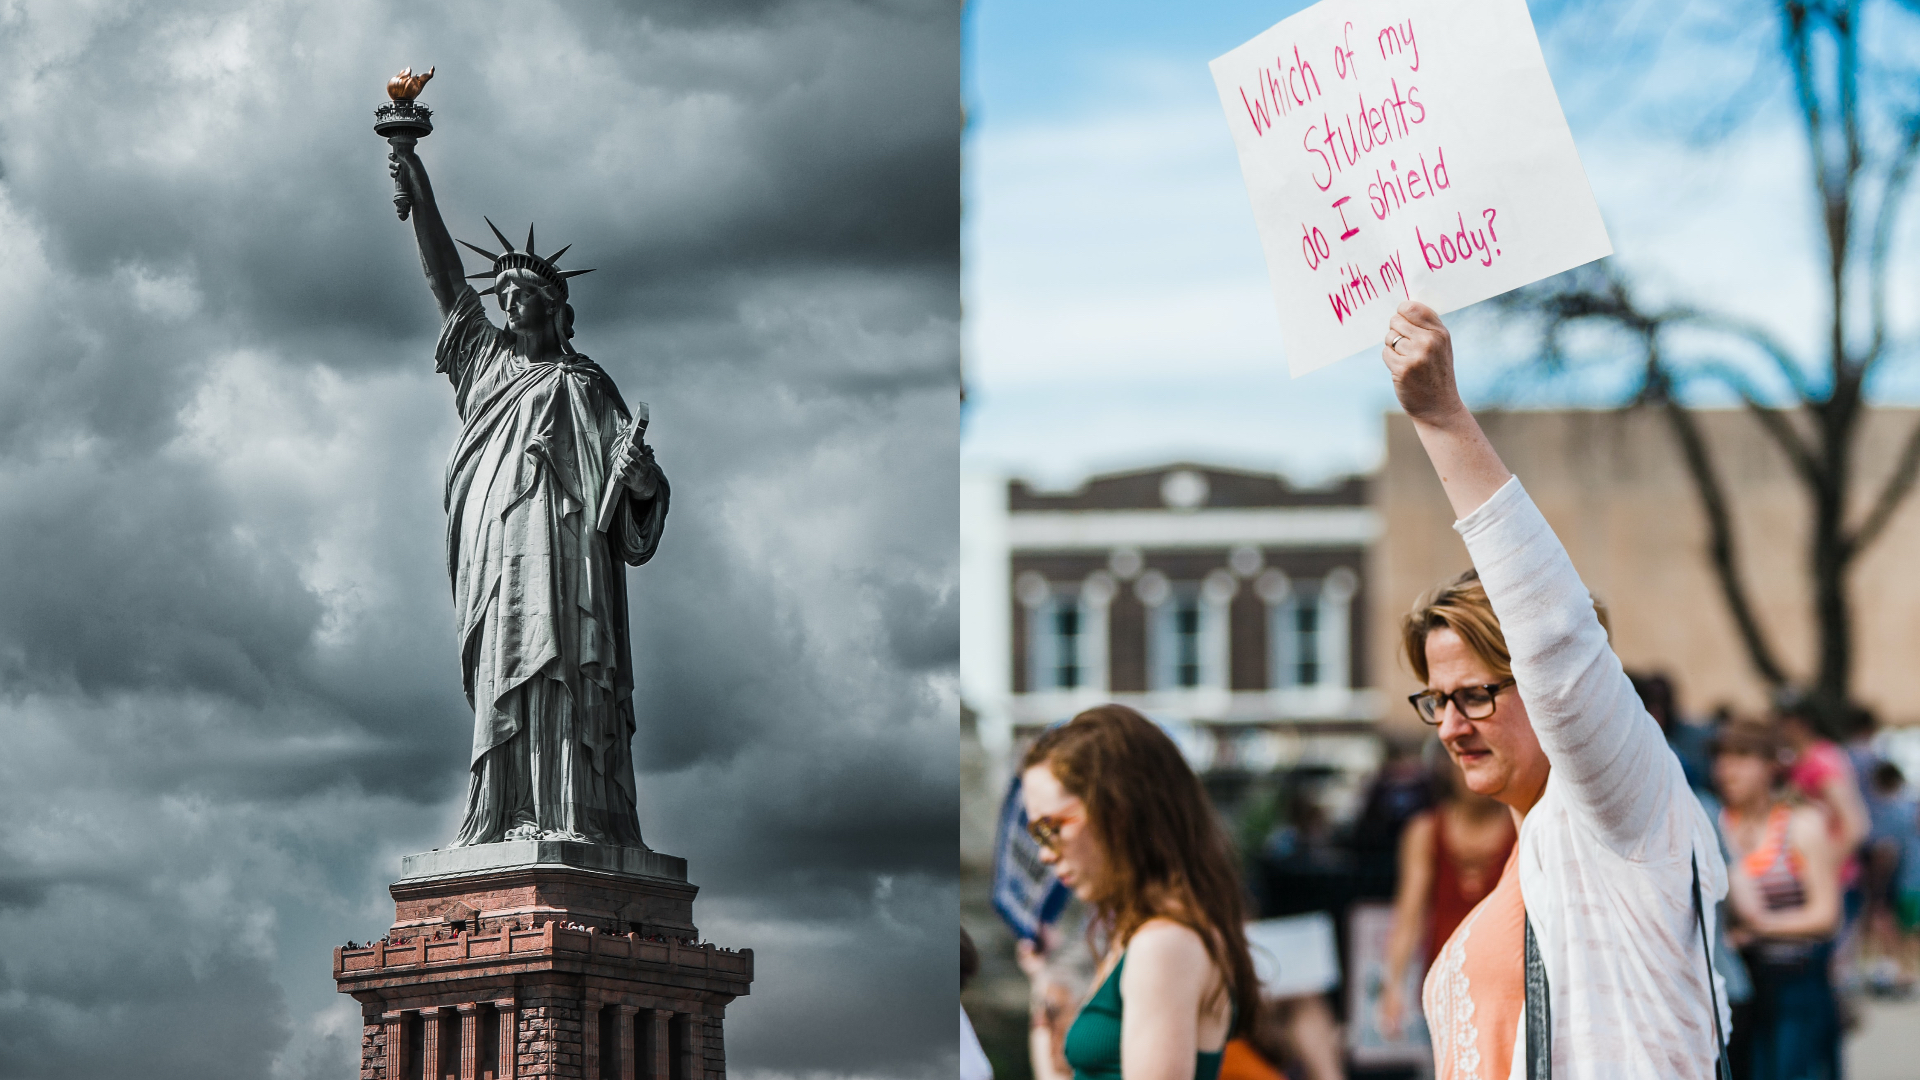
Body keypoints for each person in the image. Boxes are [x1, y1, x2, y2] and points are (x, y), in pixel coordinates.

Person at [1379, 303, 1729, 1079]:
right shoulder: (1535, 850)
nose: (1450, 725)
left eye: (1476, 695)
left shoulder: (1617, 818)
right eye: (1437, 700)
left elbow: (1557, 638)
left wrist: (1441, 418)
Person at [387, 146, 668, 846]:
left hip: (569, 561)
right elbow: (445, 278)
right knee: (504, 669)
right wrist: (413, 172)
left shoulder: (585, 384)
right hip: (497, 550)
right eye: (503, 295)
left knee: (563, 671)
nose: (509, 302)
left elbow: (635, 490)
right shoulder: (483, 363)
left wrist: (639, 481)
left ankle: (569, 812)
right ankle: (501, 810)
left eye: (524, 295)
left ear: (556, 309)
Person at [1019, 704, 1259, 1080]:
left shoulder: (1164, 945)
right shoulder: (1145, 935)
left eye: (1050, 828)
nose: (1045, 854)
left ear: (1118, 812)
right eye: (1036, 834)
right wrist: (1042, 984)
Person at [1713, 720, 1844, 1079]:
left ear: (1772, 765)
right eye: (1722, 758)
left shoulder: (1801, 824)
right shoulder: (1716, 821)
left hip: (1795, 983)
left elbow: (1826, 914)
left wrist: (1760, 928)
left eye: (1741, 757)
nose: (1727, 769)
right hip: (1740, 989)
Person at [1377, 753, 1516, 1041]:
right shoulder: (1426, 831)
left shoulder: (1522, 825)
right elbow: (1409, 916)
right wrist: (1393, 985)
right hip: (1448, 986)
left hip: (1511, 988)